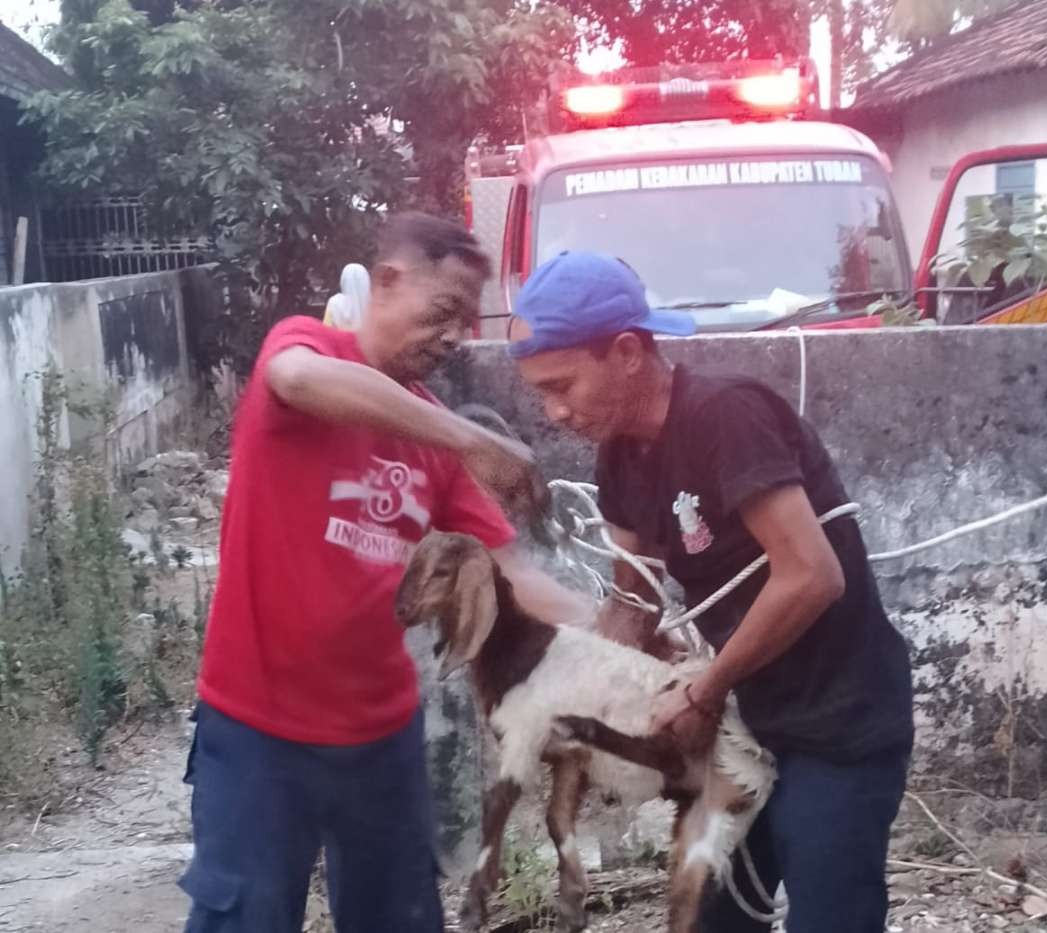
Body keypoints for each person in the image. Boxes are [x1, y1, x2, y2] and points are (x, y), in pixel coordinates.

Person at [180, 213, 593, 933]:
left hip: (378, 737)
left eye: (467, 320)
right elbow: (298, 379)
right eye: (443, 311)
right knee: (244, 917)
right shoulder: (308, 348)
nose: (454, 334)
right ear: (388, 282)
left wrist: (620, 641)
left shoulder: (433, 437)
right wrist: (469, 436)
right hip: (257, 730)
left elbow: (508, 575)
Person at [507, 251, 914, 933]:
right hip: (753, 724)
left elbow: (812, 575)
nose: (553, 411)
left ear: (629, 351)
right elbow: (631, 604)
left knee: (830, 916)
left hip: (838, 722)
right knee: (707, 915)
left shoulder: (724, 417)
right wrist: (583, 698)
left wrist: (704, 687)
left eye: (563, 385)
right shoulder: (620, 455)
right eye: (540, 393)